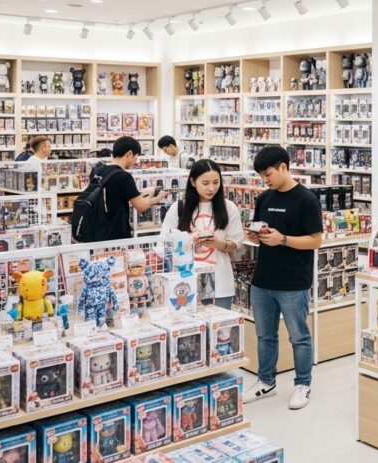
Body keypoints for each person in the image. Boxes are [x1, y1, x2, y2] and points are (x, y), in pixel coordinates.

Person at [243, 146, 323, 410]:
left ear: (284, 167)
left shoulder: (306, 199)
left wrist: (283, 240)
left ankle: (303, 384)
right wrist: (256, 236)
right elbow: (262, 231)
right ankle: (266, 381)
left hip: (293, 282)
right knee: (265, 335)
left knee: (299, 337)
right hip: (263, 279)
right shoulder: (264, 198)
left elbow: (316, 241)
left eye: (268, 174)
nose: (265, 180)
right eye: (261, 176)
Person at [161, 159, 244, 309]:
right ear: (193, 182)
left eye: (216, 182)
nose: (211, 188)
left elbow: (236, 243)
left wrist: (218, 243)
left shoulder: (229, 208)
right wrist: (188, 242)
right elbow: (164, 243)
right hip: (184, 284)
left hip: (220, 283)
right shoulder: (179, 208)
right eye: (205, 183)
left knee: (219, 323)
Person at [88, 136, 167, 241]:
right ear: (129, 154)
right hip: (116, 232)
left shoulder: (98, 170)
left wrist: (139, 193)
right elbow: (141, 206)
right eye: (136, 157)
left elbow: (113, 194)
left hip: (97, 229)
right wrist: (157, 198)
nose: (135, 161)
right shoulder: (123, 176)